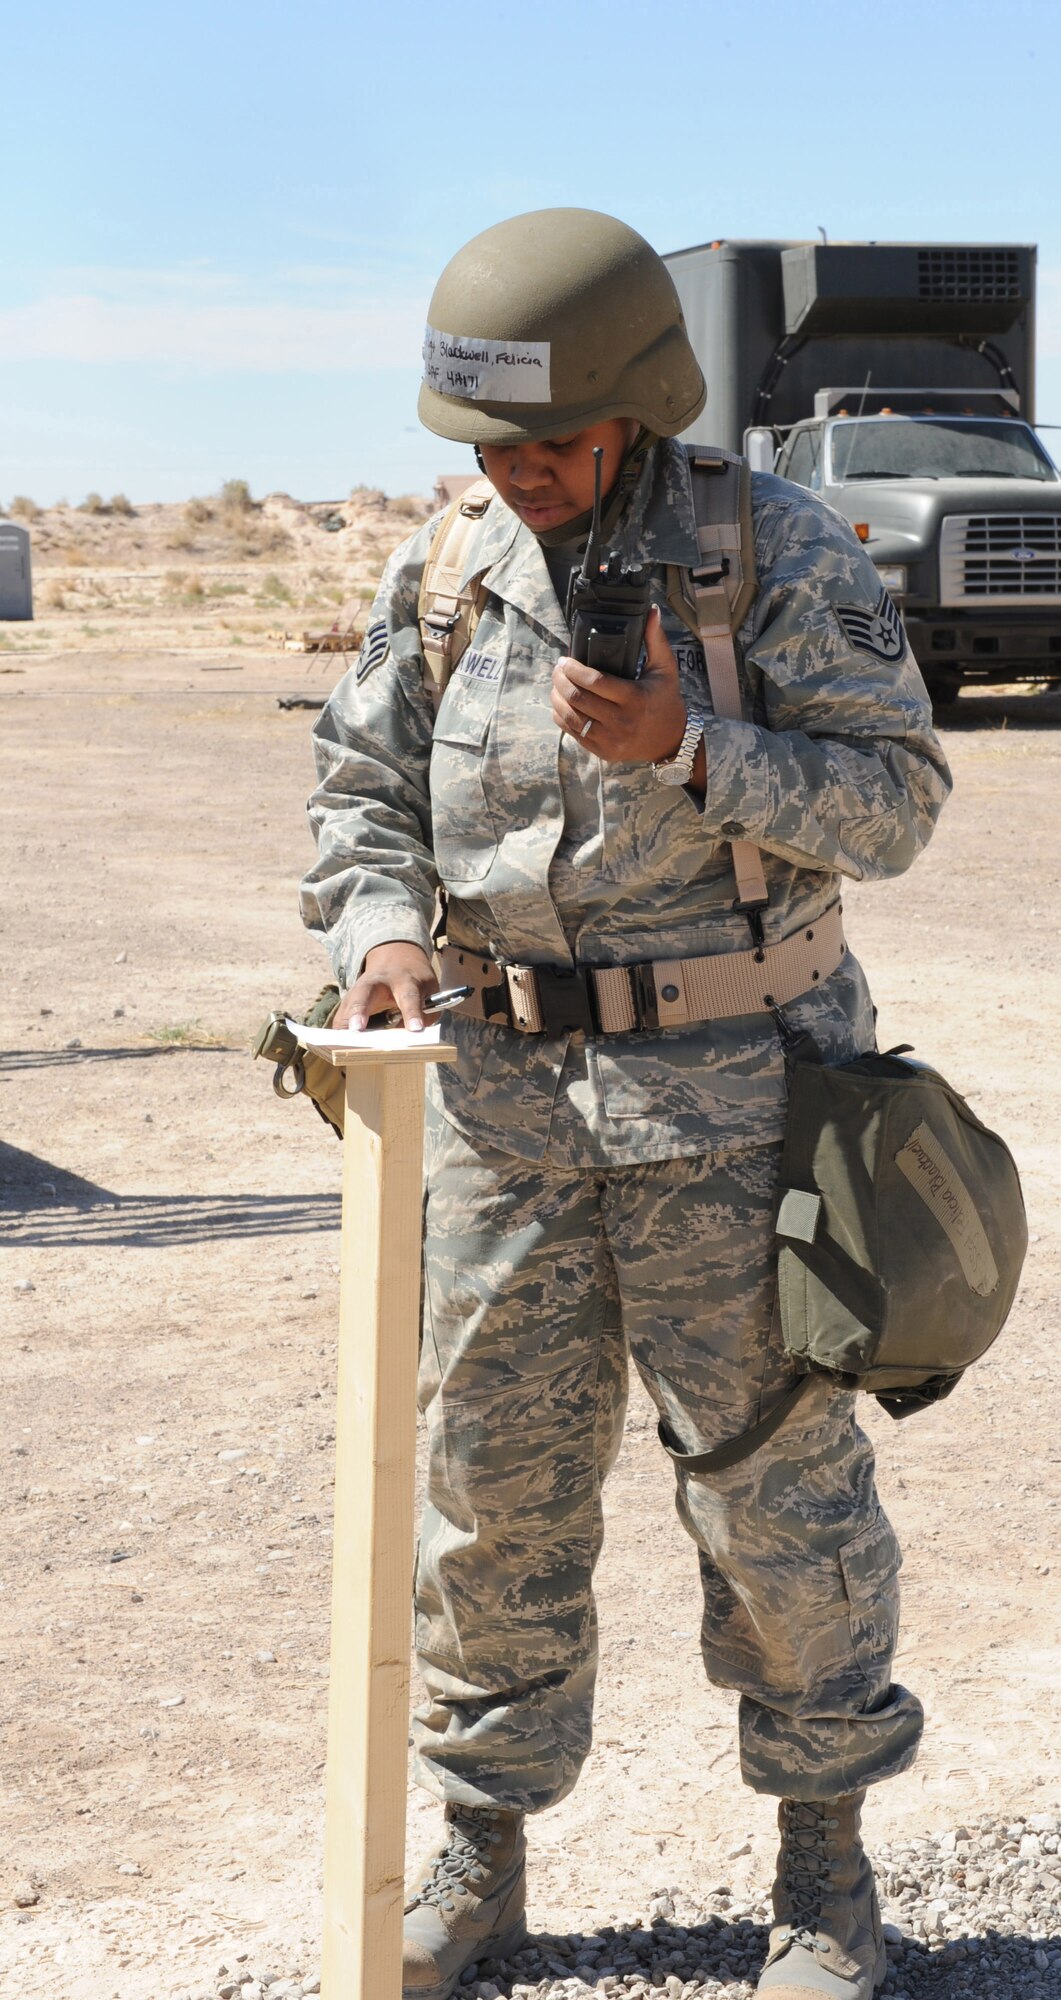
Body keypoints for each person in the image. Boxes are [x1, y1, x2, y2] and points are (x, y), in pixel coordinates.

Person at [300, 208, 952, 2000]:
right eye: (491, 449)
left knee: (777, 1507)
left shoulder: (768, 552)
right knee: (488, 1500)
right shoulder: (443, 565)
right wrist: (374, 931)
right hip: (506, 1118)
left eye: (552, 446)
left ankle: (824, 1877)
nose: (520, 479)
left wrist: (686, 745)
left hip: (740, 1125)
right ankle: (475, 1851)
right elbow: (356, 784)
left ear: (639, 409)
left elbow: (895, 806)